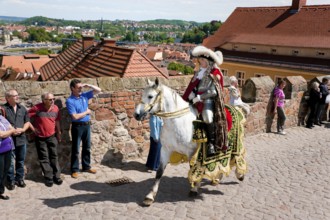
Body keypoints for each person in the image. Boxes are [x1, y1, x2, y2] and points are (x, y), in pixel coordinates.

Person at [182, 45, 228, 157]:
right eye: (200, 60)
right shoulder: (199, 72)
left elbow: (214, 92)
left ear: (208, 61)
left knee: (207, 117)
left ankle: (211, 144)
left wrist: (200, 98)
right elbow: (193, 87)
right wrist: (191, 94)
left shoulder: (215, 73)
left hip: (209, 101)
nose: (200, 62)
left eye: (202, 60)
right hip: (195, 100)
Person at [66, 79, 101, 178]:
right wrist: (86, 112)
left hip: (87, 125)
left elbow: (99, 90)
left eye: (81, 87)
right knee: (76, 149)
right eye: (78, 87)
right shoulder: (70, 101)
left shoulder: (84, 95)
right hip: (77, 127)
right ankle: (74, 169)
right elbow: (75, 117)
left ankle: (86, 166)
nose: (80, 89)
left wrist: (88, 85)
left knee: (87, 147)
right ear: (72, 88)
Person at [28, 92, 63, 187]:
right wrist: (32, 129)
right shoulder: (37, 108)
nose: (52, 101)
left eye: (53, 99)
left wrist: (59, 133)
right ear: (44, 100)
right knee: (44, 157)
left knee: (54, 156)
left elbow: (57, 121)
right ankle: (48, 177)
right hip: (40, 137)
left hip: (52, 136)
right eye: (50, 99)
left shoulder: (55, 108)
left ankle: (57, 176)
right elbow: (26, 117)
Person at [3, 89, 30, 190]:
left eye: (17, 95)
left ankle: (20, 179)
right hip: (9, 140)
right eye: (15, 96)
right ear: (8, 98)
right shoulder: (3, 109)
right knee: (10, 162)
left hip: (21, 139)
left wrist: (23, 129)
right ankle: (10, 181)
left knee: (21, 161)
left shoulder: (22, 108)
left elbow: (27, 121)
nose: (17, 97)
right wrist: (12, 130)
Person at [0, 114, 16, 200]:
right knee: (0, 172)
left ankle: (1, 189)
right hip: (0, 150)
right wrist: (11, 131)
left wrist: (11, 130)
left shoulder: (2, 117)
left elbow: (10, 126)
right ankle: (1, 191)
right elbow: (1, 134)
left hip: (8, 148)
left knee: (5, 170)